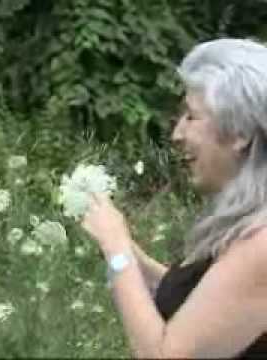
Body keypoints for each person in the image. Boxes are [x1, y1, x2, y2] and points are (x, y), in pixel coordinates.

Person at [82, 38, 267, 359]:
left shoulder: (261, 243)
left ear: (240, 134)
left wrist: (117, 249)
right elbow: (197, 303)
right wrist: (133, 259)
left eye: (192, 117)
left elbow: (165, 354)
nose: (177, 134)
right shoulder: (247, 225)